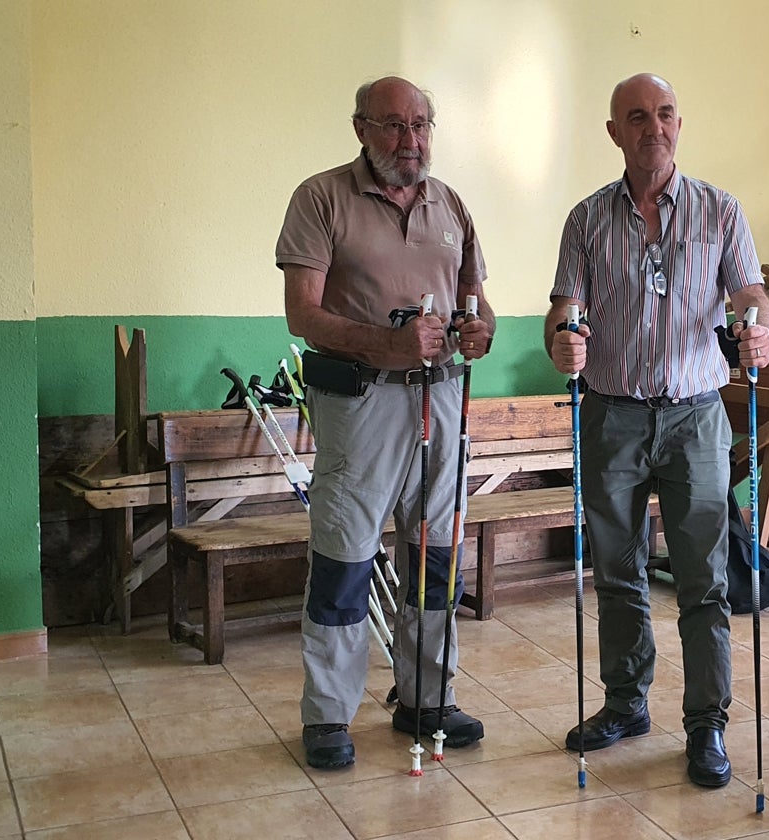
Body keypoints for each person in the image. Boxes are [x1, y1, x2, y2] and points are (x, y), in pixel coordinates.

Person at [544, 72, 769, 788]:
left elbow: (751, 294)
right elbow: (563, 307)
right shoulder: (586, 219)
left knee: (705, 580)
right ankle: (625, 703)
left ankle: (707, 726)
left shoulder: (719, 210)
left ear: (681, 124)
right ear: (614, 132)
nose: (655, 128)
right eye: (637, 117)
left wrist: (760, 329)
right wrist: (562, 339)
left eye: (666, 114)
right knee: (618, 572)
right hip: (611, 415)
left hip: (695, 416)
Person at [277, 76, 495, 770]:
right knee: (344, 559)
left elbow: (476, 301)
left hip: (443, 398)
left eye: (423, 125)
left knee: (434, 560)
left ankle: (426, 700)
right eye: (395, 126)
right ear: (361, 128)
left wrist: (479, 330)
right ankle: (328, 718)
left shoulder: (450, 203)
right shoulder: (321, 197)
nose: (412, 141)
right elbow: (302, 316)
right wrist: (386, 343)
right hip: (363, 403)